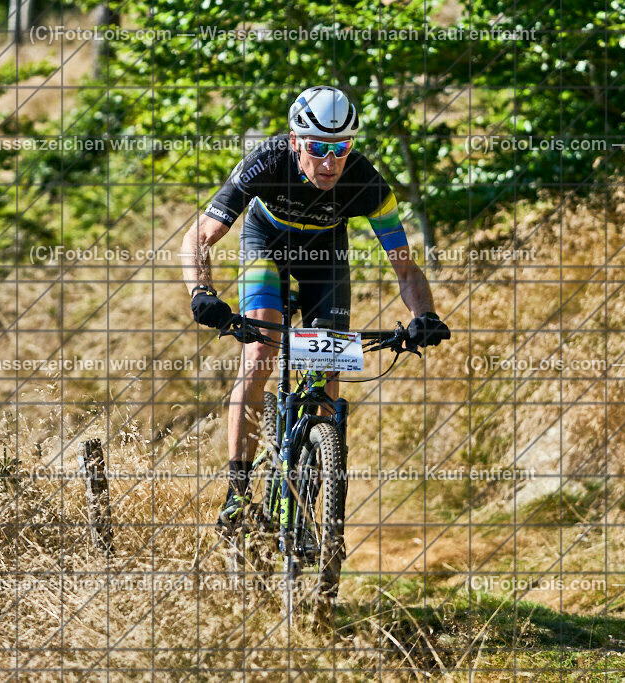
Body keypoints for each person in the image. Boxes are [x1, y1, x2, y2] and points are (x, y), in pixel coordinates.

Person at [180, 85, 450, 532]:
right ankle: (237, 492)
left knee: (327, 371)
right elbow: (198, 237)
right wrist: (201, 292)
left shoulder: (367, 183)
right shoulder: (265, 163)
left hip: (327, 258)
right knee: (261, 353)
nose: (330, 162)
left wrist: (425, 316)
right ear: (294, 140)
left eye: (341, 147)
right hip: (266, 246)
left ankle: (311, 497)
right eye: (318, 148)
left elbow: (405, 269)